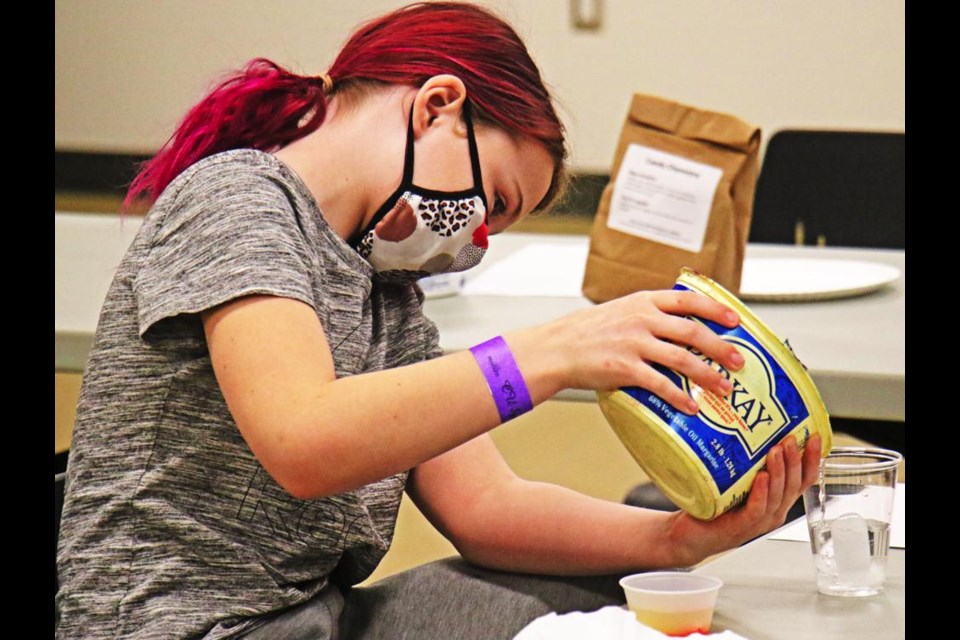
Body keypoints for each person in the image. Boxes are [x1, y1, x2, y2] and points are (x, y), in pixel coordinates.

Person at [55, 3, 821, 639]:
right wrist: (558, 349)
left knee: (598, 608)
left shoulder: (386, 292)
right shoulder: (239, 200)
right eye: (493, 203)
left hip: (312, 621)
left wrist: (680, 542)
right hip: (179, 628)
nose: (476, 239)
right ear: (438, 106)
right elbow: (304, 441)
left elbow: (488, 510)